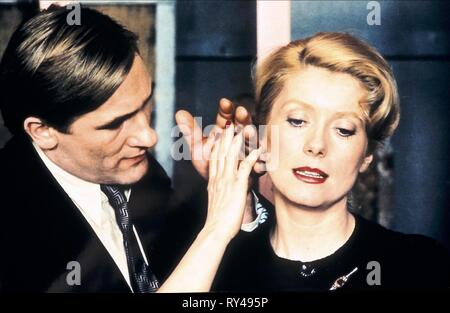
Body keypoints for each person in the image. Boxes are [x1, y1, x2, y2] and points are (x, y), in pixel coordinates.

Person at [0, 5, 259, 292]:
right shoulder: (11, 229)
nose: (148, 137)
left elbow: (213, 282)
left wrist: (234, 188)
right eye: (115, 124)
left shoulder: (138, 174)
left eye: (145, 103)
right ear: (43, 132)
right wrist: (215, 232)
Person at [212, 32, 450, 291]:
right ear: (264, 135)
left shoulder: (419, 265)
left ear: (366, 155)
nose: (316, 145)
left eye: (344, 130)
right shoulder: (216, 266)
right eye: (297, 121)